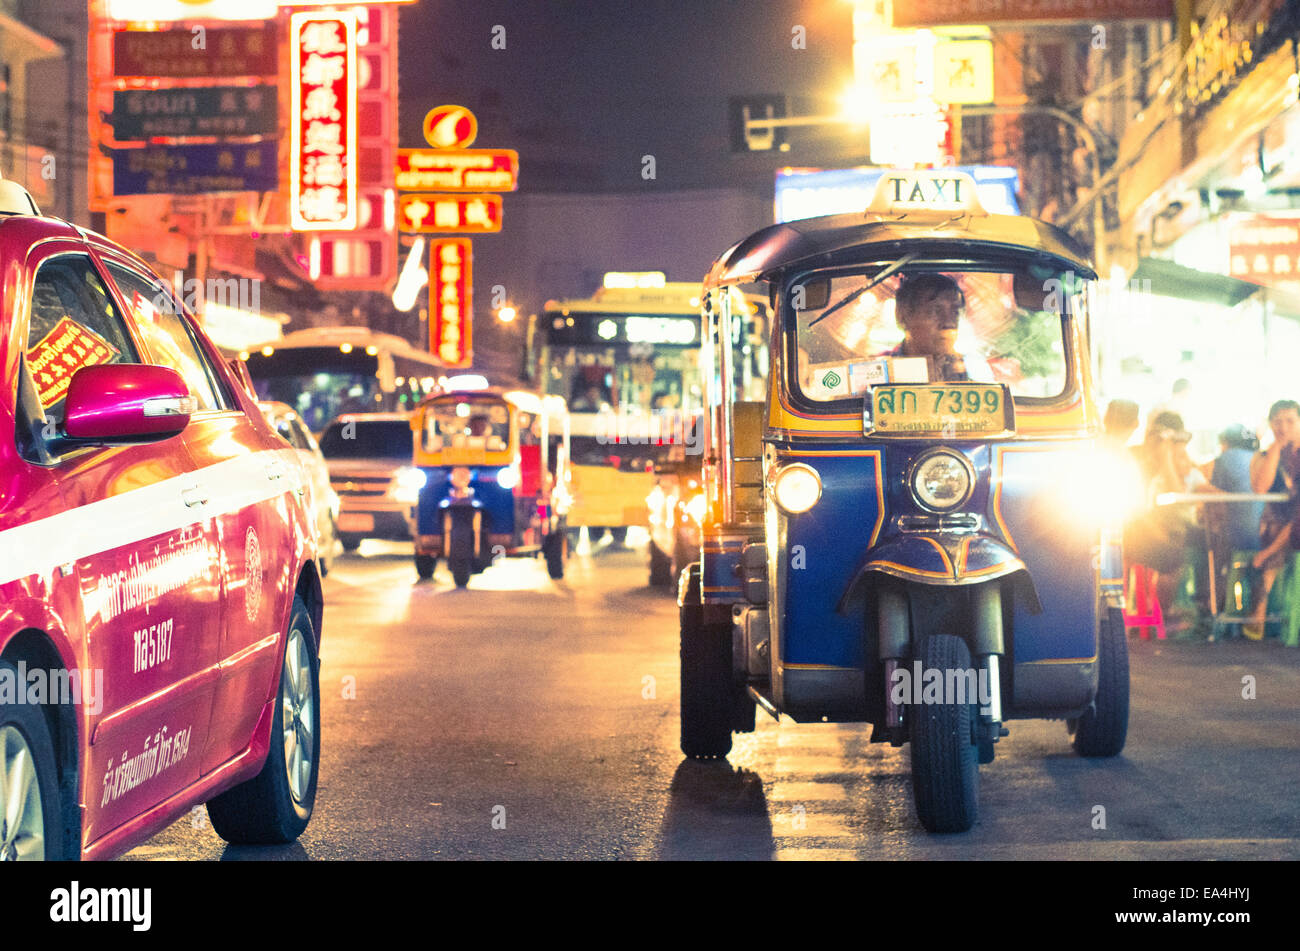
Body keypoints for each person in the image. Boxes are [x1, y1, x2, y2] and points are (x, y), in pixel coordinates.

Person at [1246, 399, 1300, 636]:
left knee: (1285, 530)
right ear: (1270, 424)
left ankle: (1258, 614)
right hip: (1279, 525)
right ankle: (1258, 617)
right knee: (1277, 529)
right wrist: (1277, 448)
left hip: (1293, 524)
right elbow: (1260, 487)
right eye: (1278, 422)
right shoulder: (1265, 455)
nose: (1284, 427)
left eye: (1290, 421)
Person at [890, 273, 992, 382]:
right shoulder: (881, 371)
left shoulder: (974, 370)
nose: (949, 323)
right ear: (903, 315)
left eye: (955, 312)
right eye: (936, 310)